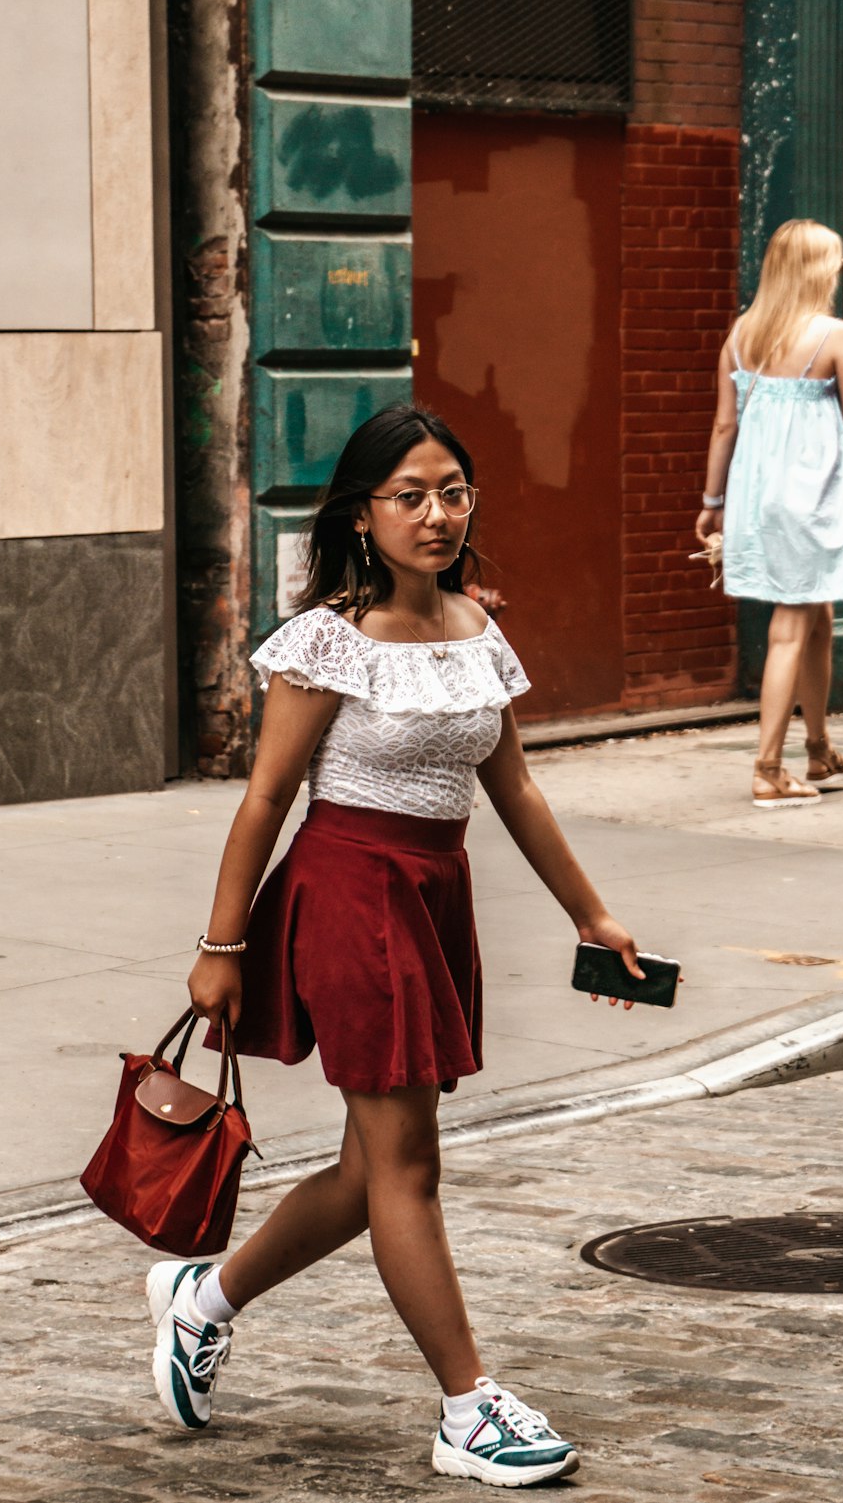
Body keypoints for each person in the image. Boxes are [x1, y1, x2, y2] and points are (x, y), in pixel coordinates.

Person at [146, 404, 644, 1488]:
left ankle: (203, 1298)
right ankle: (468, 1407)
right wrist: (219, 944)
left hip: (432, 893)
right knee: (408, 1166)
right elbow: (266, 797)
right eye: (409, 495)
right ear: (362, 515)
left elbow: (511, 787)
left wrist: (590, 914)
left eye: (453, 491)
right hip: (349, 894)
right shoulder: (329, 636)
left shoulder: (475, 626)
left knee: (369, 1165)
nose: (436, 513)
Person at [696, 219, 843, 806]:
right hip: (812, 501)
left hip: (757, 499)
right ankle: (767, 769)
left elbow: (723, 426)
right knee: (792, 625)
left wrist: (713, 505)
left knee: (817, 616)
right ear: (818, 271)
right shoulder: (838, 337)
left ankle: (818, 749)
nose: (839, 272)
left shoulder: (742, 335)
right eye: (833, 263)